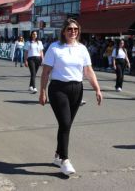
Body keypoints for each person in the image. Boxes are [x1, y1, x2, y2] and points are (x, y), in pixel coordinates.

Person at [39, 18, 102, 176]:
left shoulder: (82, 49)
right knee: (65, 123)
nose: (73, 32)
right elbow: (46, 72)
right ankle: (65, 160)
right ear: (64, 31)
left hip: (77, 89)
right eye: (69, 29)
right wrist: (42, 91)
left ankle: (57, 155)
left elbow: (88, 71)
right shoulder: (55, 48)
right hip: (58, 89)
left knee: (65, 125)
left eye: (75, 29)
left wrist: (97, 89)